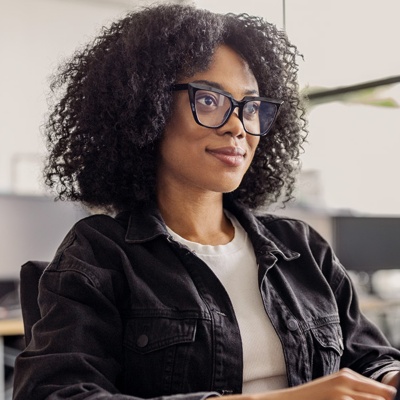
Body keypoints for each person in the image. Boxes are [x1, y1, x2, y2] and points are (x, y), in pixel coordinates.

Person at [12, 3, 400, 400]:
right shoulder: (100, 253)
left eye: (251, 107)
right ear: (149, 110)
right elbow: (54, 393)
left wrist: (390, 377)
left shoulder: (302, 248)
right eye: (210, 100)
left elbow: (368, 357)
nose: (237, 126)